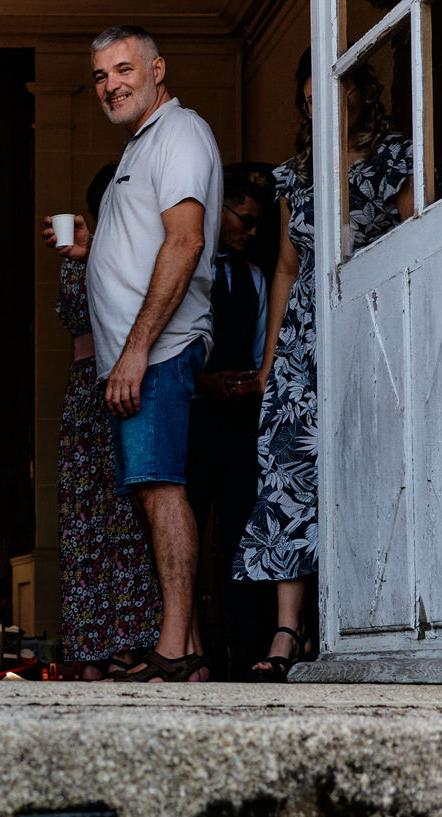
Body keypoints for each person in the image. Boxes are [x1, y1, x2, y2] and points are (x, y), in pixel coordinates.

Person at [49, 25, 223, 683]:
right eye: (99, 75)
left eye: (123, 69)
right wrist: (98, 243)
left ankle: (175, 651)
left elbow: (184, 242)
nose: (110, 84)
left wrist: (135, 351)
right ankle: (190, 652)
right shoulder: (140, 147)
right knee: (152, 493)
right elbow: (146, 240)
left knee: (161, 491)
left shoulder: (178, 133)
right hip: (141, 357)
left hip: (159, 353)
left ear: (157, 69)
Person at [232, 50, 413, 680]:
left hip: (373, 328)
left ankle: (371, 614)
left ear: (362, 92)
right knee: (288, 474)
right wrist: (269, 360)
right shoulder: (294, 176)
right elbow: (286, 267)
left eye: (331, 98)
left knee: (370, 466)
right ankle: (288, 630)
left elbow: (417, 240)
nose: (319, 111)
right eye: (309, 102)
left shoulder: (396, 160)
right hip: (304, 341)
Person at [47, 164, 161, 679]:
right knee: (85, 520)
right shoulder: (87, 254)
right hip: (87, 391)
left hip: (130, 380)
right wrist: (86, 257)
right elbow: (75, 314)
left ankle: (131, 644)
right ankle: (90, 648)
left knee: (129, 516)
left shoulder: (148, 249)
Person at [186, 175, 271, 679]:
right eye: (246, 219)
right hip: (195, 416)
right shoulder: (190, 267)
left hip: (241, 422)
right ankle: (193, 645)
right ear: (219, 212)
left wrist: (250, 384)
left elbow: (262, 346)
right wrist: (202, 382)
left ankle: (246, 648)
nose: (253, 231)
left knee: (242, 532)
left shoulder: (257, 277)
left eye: (260, 222)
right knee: (188, 529)